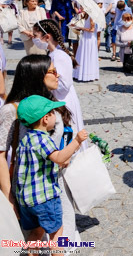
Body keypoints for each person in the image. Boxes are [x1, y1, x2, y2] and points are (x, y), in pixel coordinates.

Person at [0, 55, 85, 246]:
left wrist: (64, 155)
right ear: (37, 75)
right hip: (31, 189)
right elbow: (1, 154)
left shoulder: (51, 103)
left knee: (61, 235)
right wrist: (9, 198)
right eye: (53, 71)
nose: (58, 75)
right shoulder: (12, 110)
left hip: (58, 185)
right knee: (36, 239)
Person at [15, 95, 88, 255]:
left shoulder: (26, 140)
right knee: (57, 233)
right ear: (45, 118)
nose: (56, 116)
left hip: (27, 200)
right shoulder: (43, 139)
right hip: (45, 198)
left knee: (37, 232)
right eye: (53, 112)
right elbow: (59, 158)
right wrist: (76, 141)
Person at [32, 19, 85, 133]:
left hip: (63, 99)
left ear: (47, 37)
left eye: (35, 35)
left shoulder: (59, 56)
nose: (33, 38)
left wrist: (42, 83)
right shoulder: (53, 53)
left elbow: (63, 85)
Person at [72, 5, 99, 82]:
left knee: (88, 55)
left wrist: (81, 28)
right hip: (85, 37)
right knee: (82, 55)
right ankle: (80, 73)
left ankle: (88, 74)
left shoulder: (91, 17)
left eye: (82, 8)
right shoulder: (86, 16)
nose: (81, 9)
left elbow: (92, 29)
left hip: (89, 39)